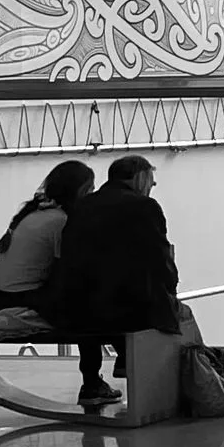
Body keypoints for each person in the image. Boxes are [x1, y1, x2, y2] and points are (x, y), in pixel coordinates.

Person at [45, 155, 181, 416]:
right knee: (170, 310)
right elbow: (159, 257)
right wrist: (171, 288)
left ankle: (93, 381)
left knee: (92, 301)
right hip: (128, 308)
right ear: (140, 177)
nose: (151, 187)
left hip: (79, 306)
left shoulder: (81, 207)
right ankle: (139, 367)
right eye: (151, 181)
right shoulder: (145, 207)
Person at [0, 159, 94, 339]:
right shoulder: (60, 221)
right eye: (90, 190)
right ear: (78, 192)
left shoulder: (36, 213)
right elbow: (66, 271)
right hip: (15, 301)